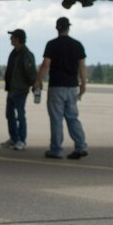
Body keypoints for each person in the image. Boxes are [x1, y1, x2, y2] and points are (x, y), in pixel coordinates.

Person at [36, 16, 88, 159]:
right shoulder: (77, 45)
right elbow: (82, 66)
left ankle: (56, 149)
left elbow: (46, 64)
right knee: (72, 117)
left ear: (57, 28)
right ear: (68, 28)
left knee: (56, 119)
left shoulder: (51, 45)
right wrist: (83, 83)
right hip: (72, 87)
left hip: (56, 87)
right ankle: (81, 146)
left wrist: (38, 81)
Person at [0, 28, 37, 151]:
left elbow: (31, 73)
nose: (10, 39)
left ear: (17, 39)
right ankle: (14, 138)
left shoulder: (26, 55)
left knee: (20, 115)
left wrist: (34, 85)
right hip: (11, 89)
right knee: (9, 114)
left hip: (20, 90)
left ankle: (21, 140)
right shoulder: (14, 53)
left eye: (12, 37)